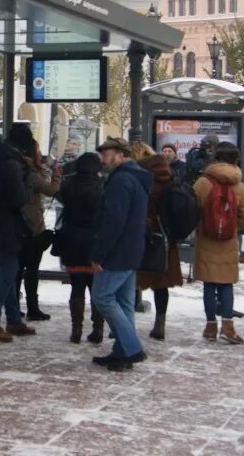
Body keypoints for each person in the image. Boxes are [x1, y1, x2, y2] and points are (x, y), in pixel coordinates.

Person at [89, 137, 150, 372]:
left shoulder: (121, 180)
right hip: (131, 249)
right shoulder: (136, 178)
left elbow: (113, 221)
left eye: (107, 154)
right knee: (124, 302)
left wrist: (99, 254)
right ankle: (122, 352)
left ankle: (132, 347)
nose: (102, 158)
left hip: (117, 251)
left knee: (103, 297)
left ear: (122, 156)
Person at [193, 143, 244, 344]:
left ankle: (210, 327)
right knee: (226, 284)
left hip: (206, 239)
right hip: (228, 241)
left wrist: (204, 224)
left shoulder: (204, 181)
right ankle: (228, 327)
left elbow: (191, 206)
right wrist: (232, 227)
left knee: (210, 285)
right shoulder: (237, 183)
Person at [0, 125, 36, 343]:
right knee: (8, 270)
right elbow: (18, 198)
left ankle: (13, 319)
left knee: (9, 269)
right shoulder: (11, 163)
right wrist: (29, 178)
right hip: (6, 222)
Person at [55, 152, 104, 344]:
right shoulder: (102, 186)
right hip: (94, 240)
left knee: (76, 287)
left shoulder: (68, 185)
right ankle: (97, 329)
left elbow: (61, 200)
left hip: (72, 240)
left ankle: (76, 329)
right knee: (96, 289)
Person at [136, 154, 184, 341]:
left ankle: (124, 324)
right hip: (166, 240)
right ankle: (160, 324)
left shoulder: (145, 182)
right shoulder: (172, 182)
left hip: (143, 235)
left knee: (133, 280)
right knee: (161, 284)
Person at [19, 132, 61, 322]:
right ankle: (32, 308)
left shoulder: (15, 169)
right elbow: (51, 190)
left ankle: (12, 306)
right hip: (32, 225)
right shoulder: (31, 172)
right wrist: (56, 173)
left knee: (16, 269)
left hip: (17, 225)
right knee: (32, 269)